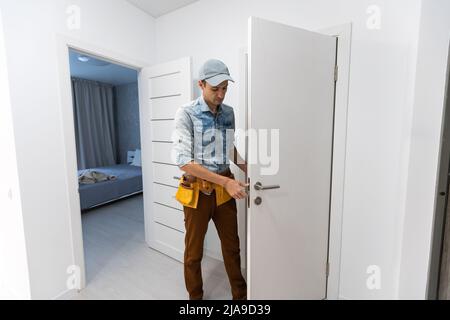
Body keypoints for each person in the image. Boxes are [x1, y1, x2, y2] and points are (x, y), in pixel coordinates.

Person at [173, 59, 248, 300]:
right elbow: (184, 161)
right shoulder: (186, 113)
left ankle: (241, 297)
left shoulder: (229, 113)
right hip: (198, 190)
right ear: (201, 85)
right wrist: (225, 182)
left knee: (232, 248)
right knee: (193, 253)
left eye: (225, 88)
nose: (221, 94)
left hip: (225, 189)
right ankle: (195, 299)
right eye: (215, 88)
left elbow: (228, 147)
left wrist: (247, 167)